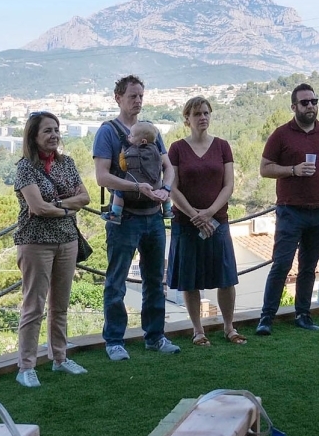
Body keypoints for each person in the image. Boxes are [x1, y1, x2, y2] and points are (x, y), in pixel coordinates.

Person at [95, 75, 179, 358]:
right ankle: (114, 340)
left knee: (155, 279)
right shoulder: (107, 132)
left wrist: (166, 189)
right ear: (117, 98)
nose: (138, 101)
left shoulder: (151, 131)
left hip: (154, 217)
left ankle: (155, 336)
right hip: (125, 219)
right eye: (132, 96)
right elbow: (102, 176)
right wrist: (136, 187)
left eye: (141, 95)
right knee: (116, 282)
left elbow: (169, 167)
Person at [256, 84, 319, 334]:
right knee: (281, 264)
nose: (311, 106)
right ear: (294, 107)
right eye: (305, 102)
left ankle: (303, 315)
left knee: (308, 267)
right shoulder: (281, 134)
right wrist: (292, 170)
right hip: (290, 211)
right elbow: (264, 169)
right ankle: (266, 318)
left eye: (314, 101)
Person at [13, 111, 91, 387]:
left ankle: (60, 357)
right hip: (35, 243)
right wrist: (66, 208)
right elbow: (37, 207)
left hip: (67, 240)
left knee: (60, 305)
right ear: (33, 136)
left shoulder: (67, 163)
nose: (54, 135)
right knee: (33, 306)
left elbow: (86, 196)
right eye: (47, 131)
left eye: (56, 130)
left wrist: (56, 208)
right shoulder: (24, 167)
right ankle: (26, 366)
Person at [167, 96, 247, 345]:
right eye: (197, 114)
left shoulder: (223, 146)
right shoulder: (177, 148)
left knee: (225, 277)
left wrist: (210, 213)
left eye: (206, 113)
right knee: (189, 279)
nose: (203, 117)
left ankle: (229, 327)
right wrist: (194, 215)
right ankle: (198, 331)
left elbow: (229, 184)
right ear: (187, 119)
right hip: (186, 223)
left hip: (218, 221)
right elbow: (172, 186)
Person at [102, 121, 164, 224]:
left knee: (118, 191)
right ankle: (167, 209)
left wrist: (122, 154)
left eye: (131, 136)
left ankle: (115, 214)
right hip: (155, 187)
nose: (128, 137)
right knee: (163, 189)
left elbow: (123, 166)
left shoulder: (133, 153)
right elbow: (164, 164)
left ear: (142, 141)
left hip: (133, 190)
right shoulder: (156, 150)